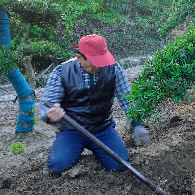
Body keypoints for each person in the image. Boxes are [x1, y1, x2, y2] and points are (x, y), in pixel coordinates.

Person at [39, 34, 150, 174]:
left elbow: (127, 98)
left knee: (118, 166)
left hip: (102, 128)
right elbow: (47, 104)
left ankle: (100, 153)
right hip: (72, 129)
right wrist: (49, 116)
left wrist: (137, 123)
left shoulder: (114, 68)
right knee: (58, 166)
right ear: (79, 58)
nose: (100, 65)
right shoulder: (62, 71)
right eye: (95, 61)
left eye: (102, 60)